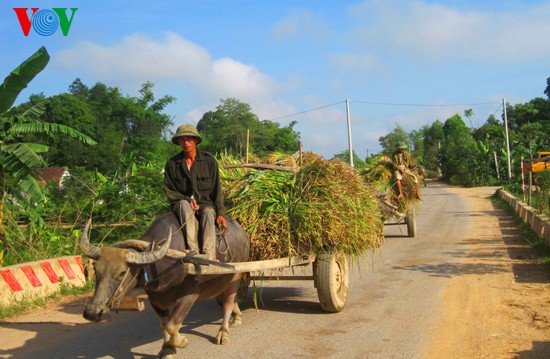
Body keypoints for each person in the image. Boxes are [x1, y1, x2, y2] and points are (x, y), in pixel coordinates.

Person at [163, 124, 228, 260]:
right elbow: (170, 190)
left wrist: (221, 213)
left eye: (189, 139)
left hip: (205, 204)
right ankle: (193, 250)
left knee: (209, 213)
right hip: (183, 205)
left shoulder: (209, 161)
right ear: (179, 142)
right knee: (183, 205)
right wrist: (187, 199)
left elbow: (217, 189)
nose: (186, 143)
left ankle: (209, 254)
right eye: (182, 140)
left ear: (195, 141)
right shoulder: (172, 164)